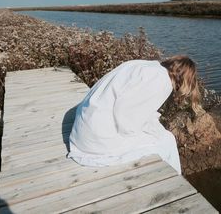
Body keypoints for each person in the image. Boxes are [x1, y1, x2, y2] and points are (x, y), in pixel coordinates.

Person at [67, 55, 201, 175]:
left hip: (84, 128)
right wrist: (153, 130)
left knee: (161, 135)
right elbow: (127, 122)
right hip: (96, 140)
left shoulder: (146, 66)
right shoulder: (162, 80)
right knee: (167, 141)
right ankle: (174, 180)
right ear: (185, 79)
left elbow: (129, 105)